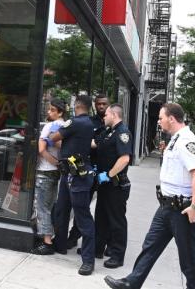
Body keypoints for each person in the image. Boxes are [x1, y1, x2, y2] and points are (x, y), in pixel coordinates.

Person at [104, 103, 195, 289]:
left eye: (160, 118)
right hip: (166, 206)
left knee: (188, 258)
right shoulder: (176, 139)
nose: (158, 122)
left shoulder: (186, 141)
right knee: (149, 247)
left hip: (182, 209)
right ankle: (131, 283)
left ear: (171, 119)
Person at [49, 95, 96, 276]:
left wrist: (58, 128)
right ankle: (60, 244)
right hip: (71, 173)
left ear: (76, 106)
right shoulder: (90, 123)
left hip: (77, 176)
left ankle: (88, 261)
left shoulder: (75, 122)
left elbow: (54, 137)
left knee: (82, 216)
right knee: (62, 209)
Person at [67, 93, 110, 249]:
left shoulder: (112, 123)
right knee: (82, 206)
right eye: (98, 104)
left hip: (106, 172)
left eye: (104, 104)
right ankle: (73, 237)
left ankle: (104, 244)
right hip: (88, 169)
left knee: (105, 210)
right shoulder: (89, 123)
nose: (101, 106)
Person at [94, 104, 133, 269]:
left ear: (114, 114)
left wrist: (108, 175)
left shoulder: (122, 132)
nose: (104, 117)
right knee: (101, 217)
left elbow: (124, 159)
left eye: (106, 114)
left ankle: (117, 256)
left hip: (116, 184)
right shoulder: (108, 132)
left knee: (116, 221)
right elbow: (95, 144)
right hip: (104, 184)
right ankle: (97, 248)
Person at [30, 98, 66, 255]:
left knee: (42, 207)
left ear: (60, 112)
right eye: (49, 109)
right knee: (49, 206)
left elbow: (41, 149)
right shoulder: (67, 126)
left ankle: (47, 242)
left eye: (52, 110)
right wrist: (58, 164)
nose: (48, 112)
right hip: (56, 172)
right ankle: (47, 236)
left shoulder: (50, 126)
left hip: (45, 170)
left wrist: (54, 162)